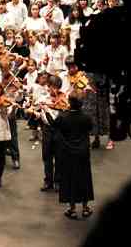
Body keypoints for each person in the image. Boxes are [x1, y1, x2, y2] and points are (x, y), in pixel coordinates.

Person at [55, 91, 94, 219]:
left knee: (69, 179)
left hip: (68, 153)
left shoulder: (63, 117)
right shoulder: (86, 117)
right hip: (83, 152)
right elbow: (89, 129)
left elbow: (56, 126)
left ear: (69, 102)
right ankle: (85, 208)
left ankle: (72, 209)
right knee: (84, 178)